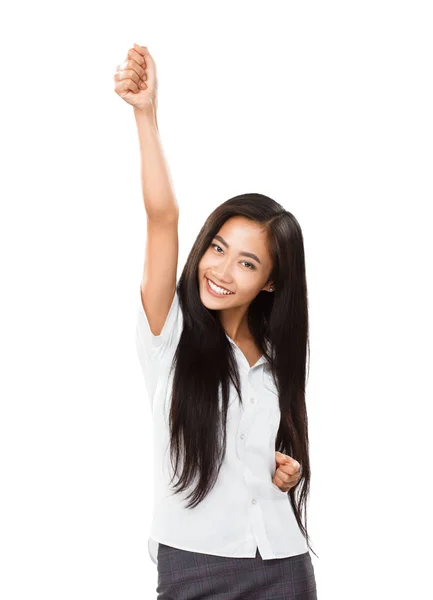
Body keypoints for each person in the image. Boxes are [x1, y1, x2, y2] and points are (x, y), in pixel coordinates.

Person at [114, 43, 318, 600]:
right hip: (195, 566)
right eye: (218, 248)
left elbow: (268, 456)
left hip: (284, 561)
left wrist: (287, 472)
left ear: (271, 282)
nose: (221, 270)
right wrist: (146, 115)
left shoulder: (276, 363)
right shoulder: (170, 334)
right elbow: (163, 218)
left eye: (247, 263)